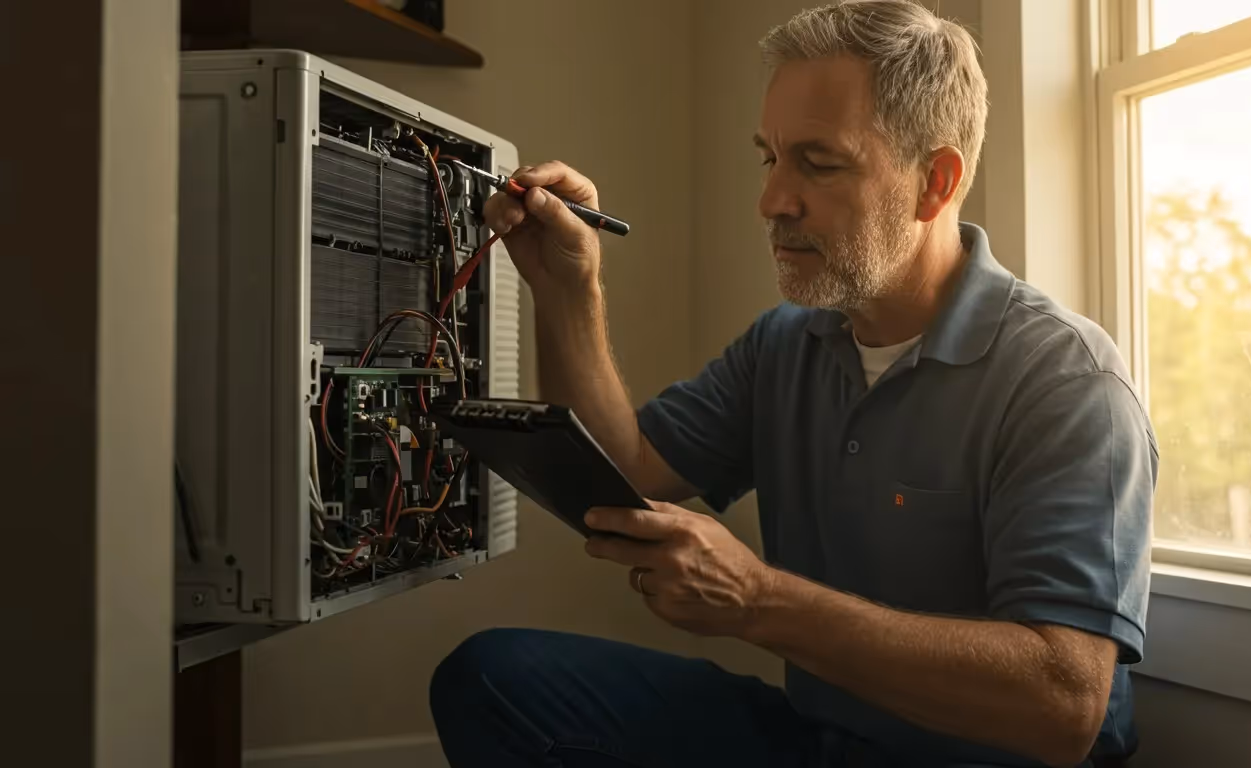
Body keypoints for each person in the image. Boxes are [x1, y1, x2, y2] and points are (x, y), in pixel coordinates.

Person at [428, 1, 1156, 766]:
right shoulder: (786, 343)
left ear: (934, 183)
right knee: (491, 680)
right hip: (822, 737)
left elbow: (1064, 705)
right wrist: (567, 287)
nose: (772, 201)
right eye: (770, 158)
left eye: (819, 162)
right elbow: (622, 475)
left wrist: (757, 599)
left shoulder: (1066, 380)